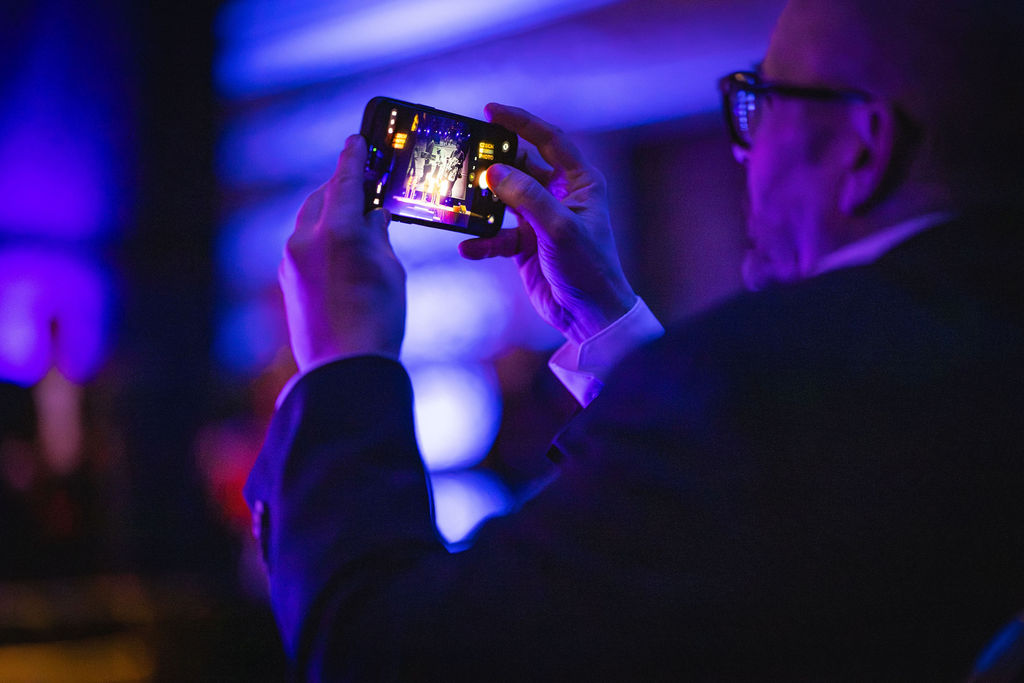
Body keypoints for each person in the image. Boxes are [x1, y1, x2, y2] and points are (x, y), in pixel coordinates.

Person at [245, 0, 1024, 679]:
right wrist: (605, 320)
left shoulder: (769, 386)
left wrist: (344, 363)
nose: (743, 148)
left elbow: (389, 655)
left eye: (761, 101)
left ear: (864, 145)